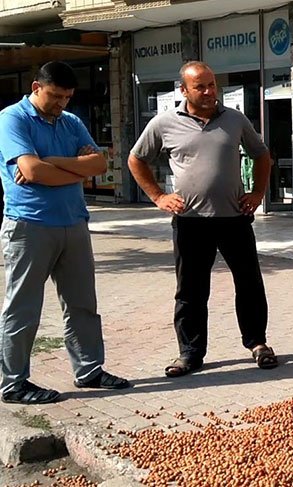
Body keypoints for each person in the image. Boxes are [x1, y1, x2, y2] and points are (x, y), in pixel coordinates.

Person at [128, 61, 278, 378]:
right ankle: (191, 353)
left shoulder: (234, 120)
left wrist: (258, 193)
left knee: (249, 283)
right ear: (183, 90)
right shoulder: (164, 123)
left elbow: (261, 154)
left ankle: (257, 343)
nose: (210, 91)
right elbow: (136, 159)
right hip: (190, 221)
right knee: (191, 291)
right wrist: (158, 196)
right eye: (201, 86)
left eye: (212, 84)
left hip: (235, 218)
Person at [0, 61, 131, 404]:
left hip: (73, 222)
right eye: (54, 96)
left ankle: (89, 369)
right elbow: (30, 169)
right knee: (23, 307)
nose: (61, 104)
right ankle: (14, 383)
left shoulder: (70, 121)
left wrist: (51, 163)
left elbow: (101, 166)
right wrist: (73, 168)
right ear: (35, 88)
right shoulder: (12, 119)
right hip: (29, 225)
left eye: (67, 97)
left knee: (82, 303)